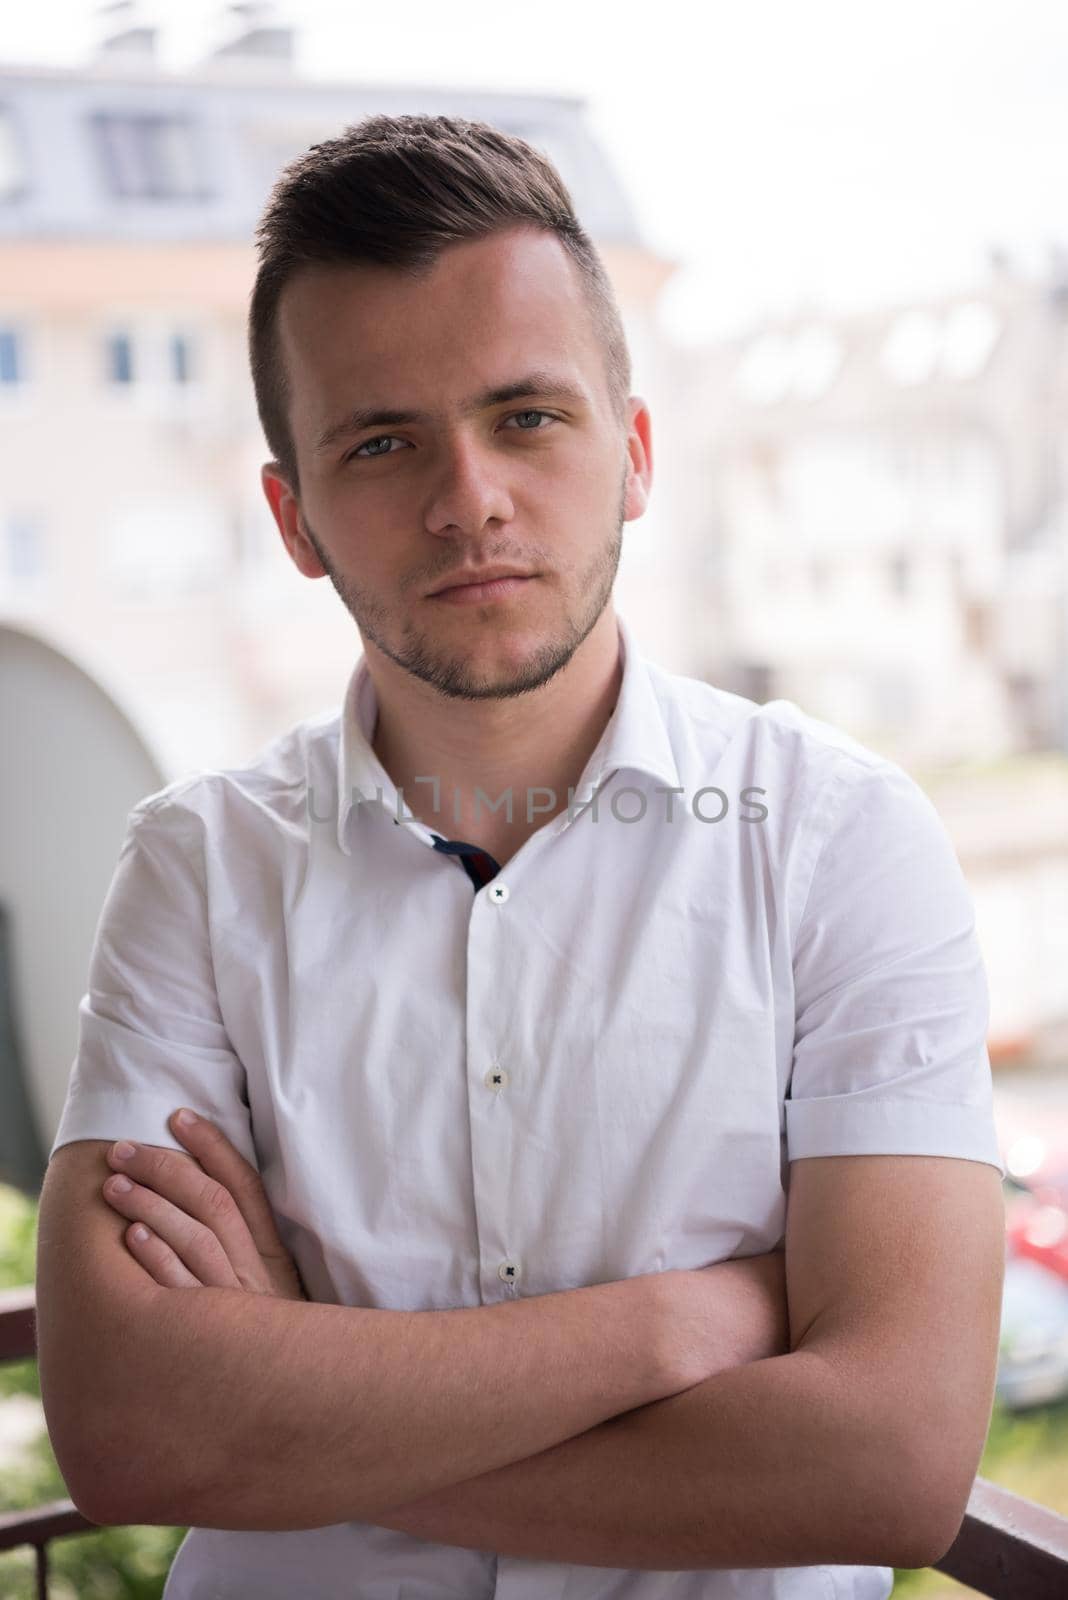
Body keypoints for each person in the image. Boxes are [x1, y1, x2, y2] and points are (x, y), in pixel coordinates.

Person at [35, 113, 1007, 1600]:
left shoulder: (843, 839)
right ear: (293, 517)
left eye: (527, 417)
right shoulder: (197, 866)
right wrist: (673, 1329)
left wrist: (301, 1396)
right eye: (380, 441)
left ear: (632, 451)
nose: (468, 497)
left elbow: (892, 1462)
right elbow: (128, 1432)